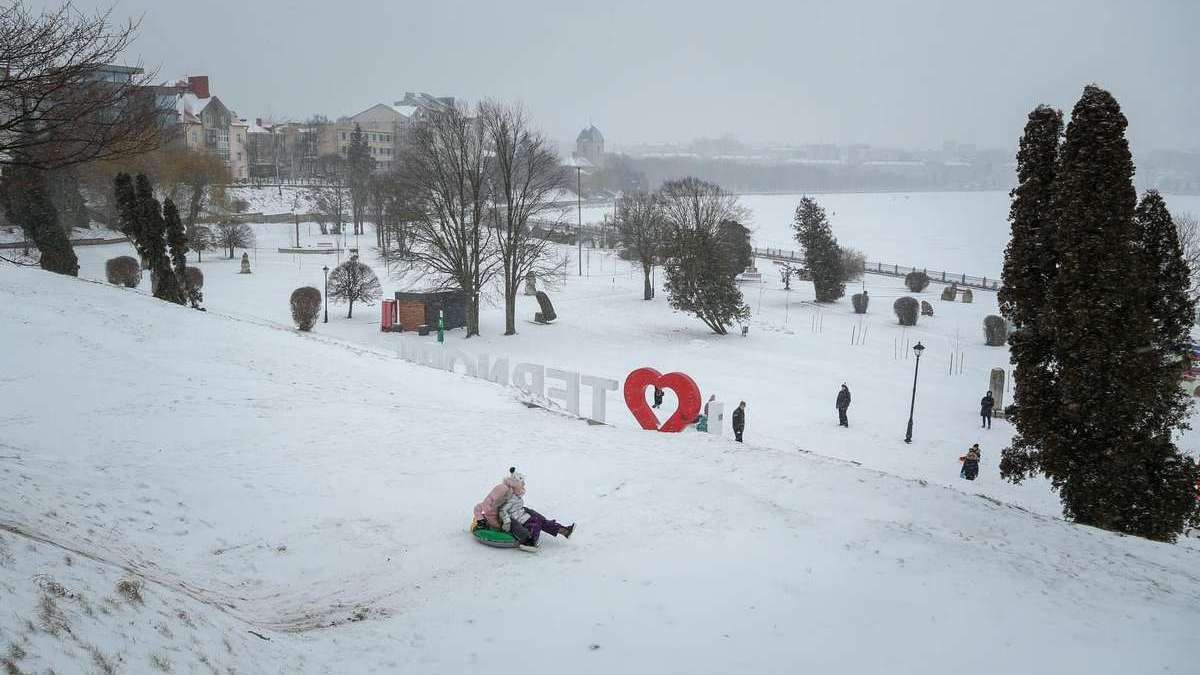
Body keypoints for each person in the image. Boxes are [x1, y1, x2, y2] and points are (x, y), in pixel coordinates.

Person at [496, 472, 574, 551]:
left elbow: (519, 509)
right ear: (515, 487)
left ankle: (564, 531)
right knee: (536, 525)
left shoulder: (517, 497)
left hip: (525, 517)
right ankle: (530, 543)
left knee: (541, 521)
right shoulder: (510, 499)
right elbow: (502, 510)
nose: (524, 487)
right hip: (520, 521)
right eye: (522, 485)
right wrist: (507, 522)